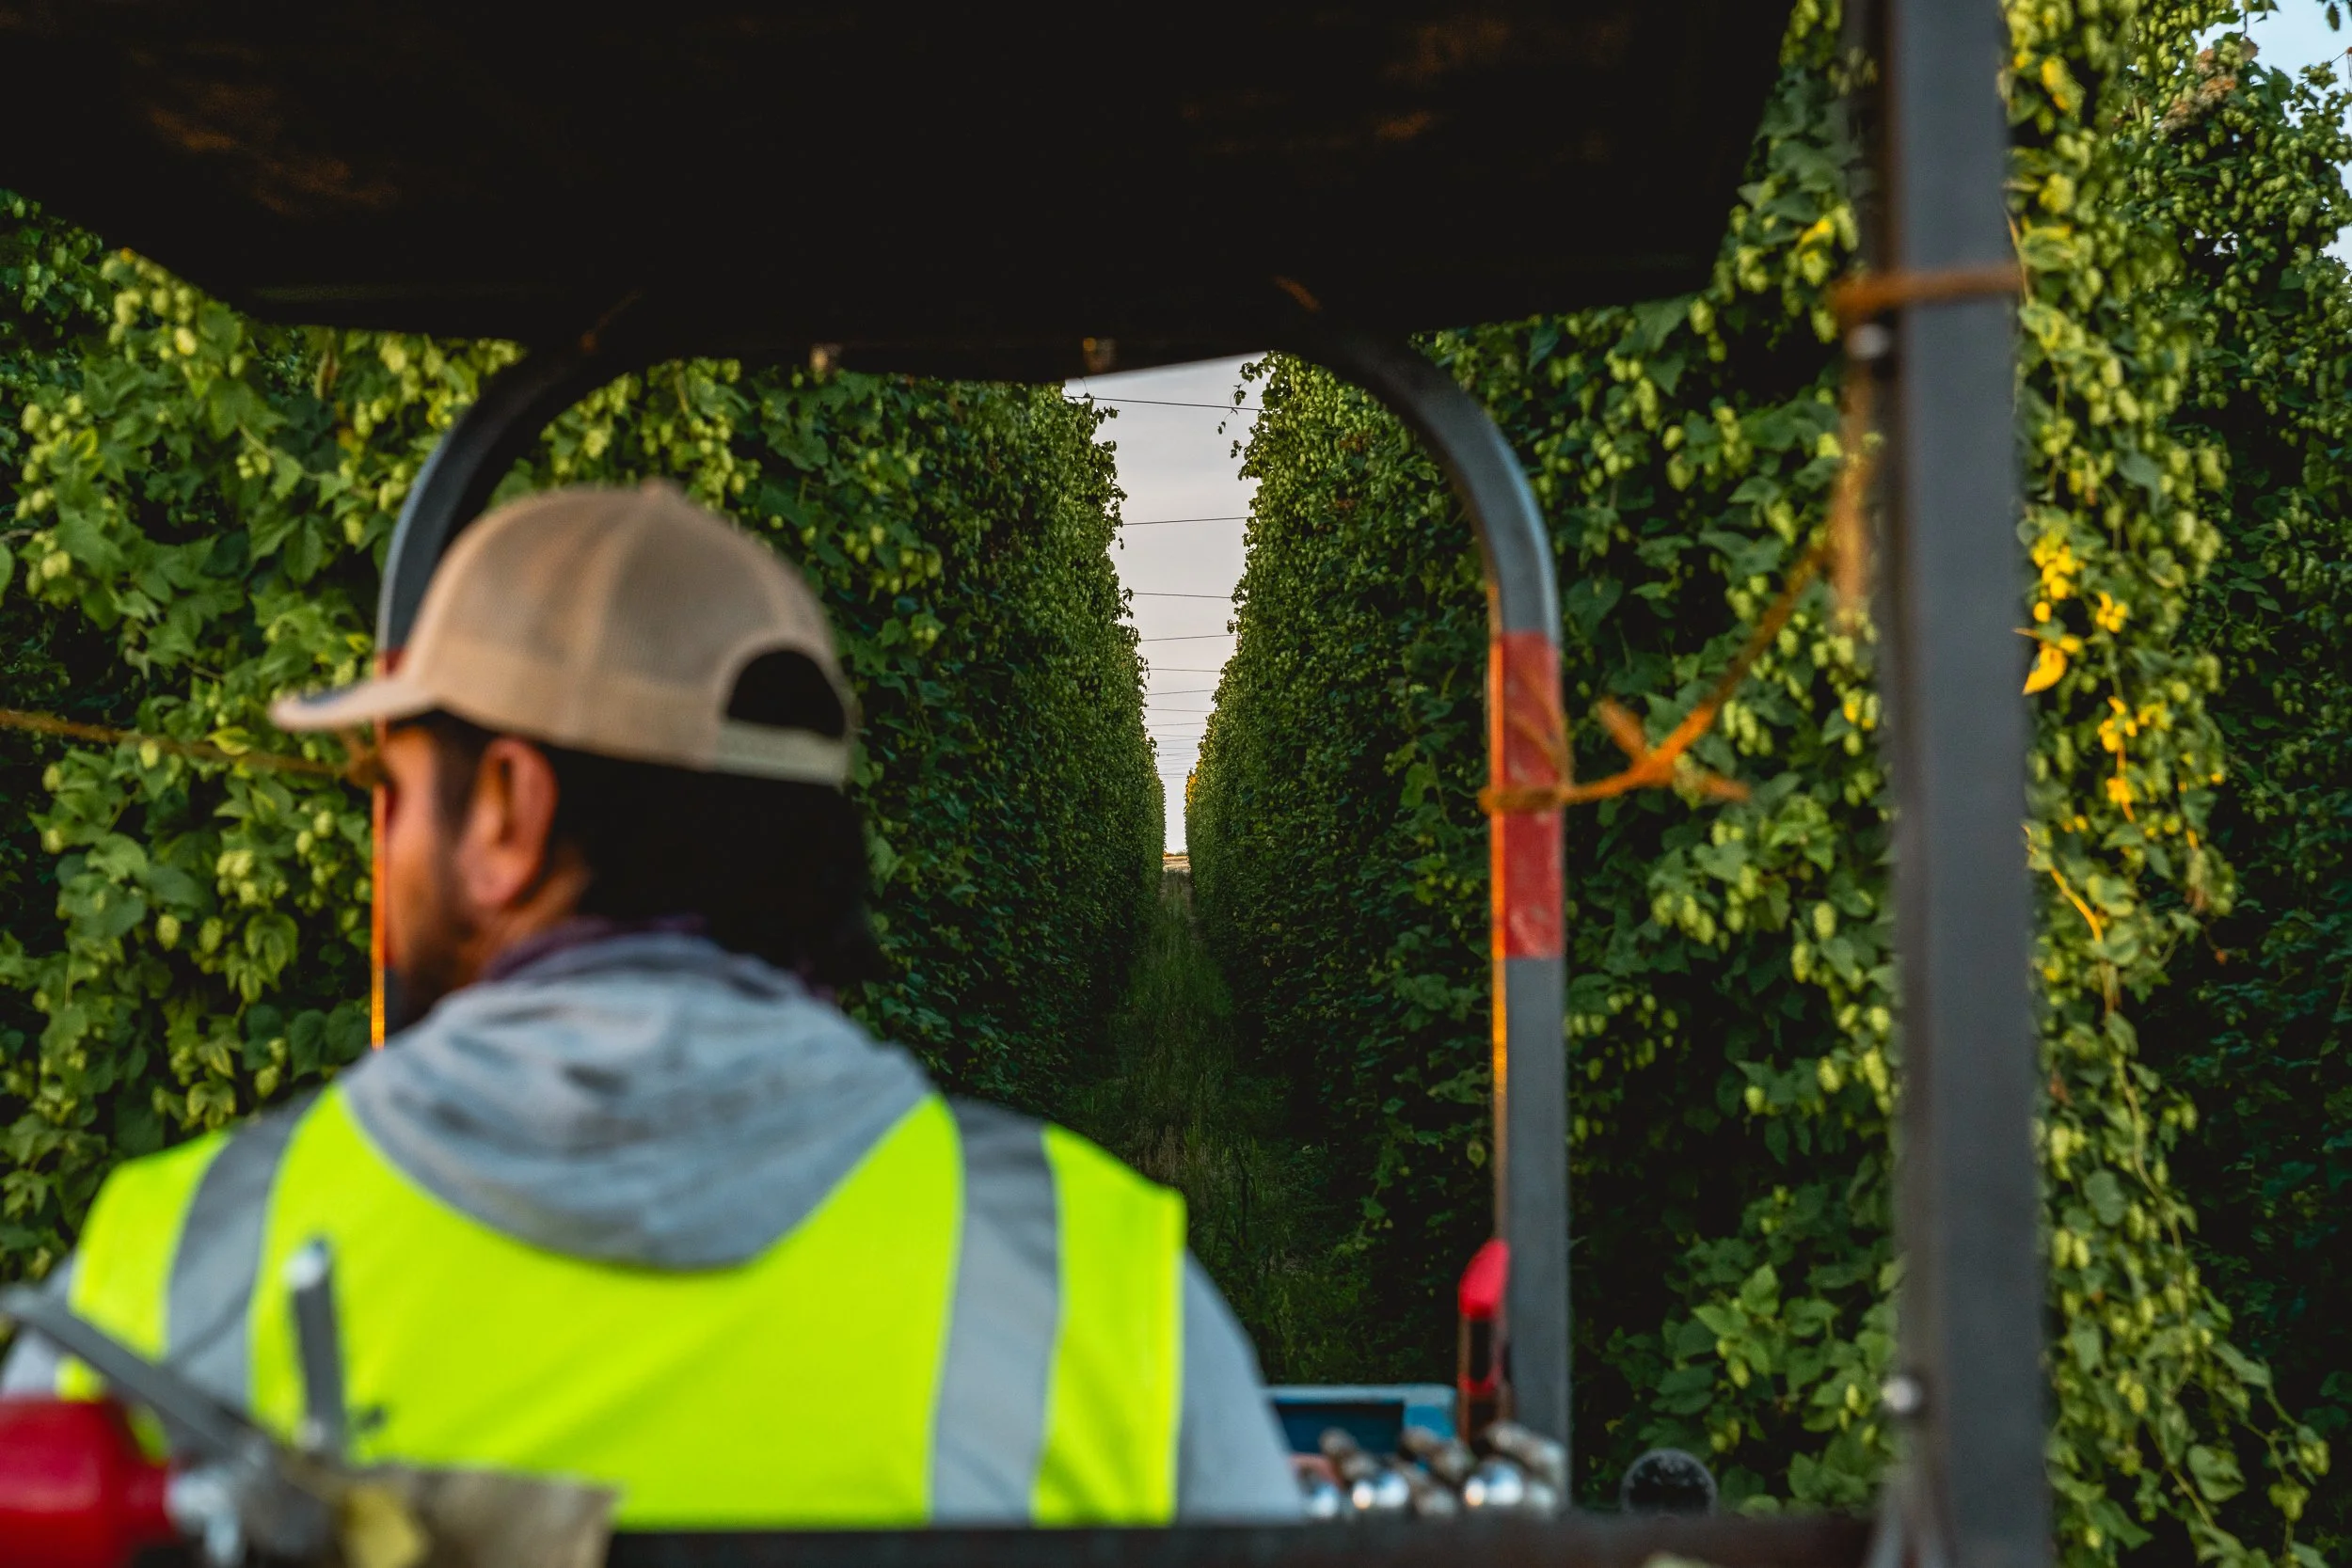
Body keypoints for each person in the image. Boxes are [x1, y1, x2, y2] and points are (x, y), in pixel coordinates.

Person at [0, 482, 1300, 1528]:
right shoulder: (1103, 1299)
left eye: (389, 783)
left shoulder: (164, 1286)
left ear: (506, 809)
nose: (378, 838)